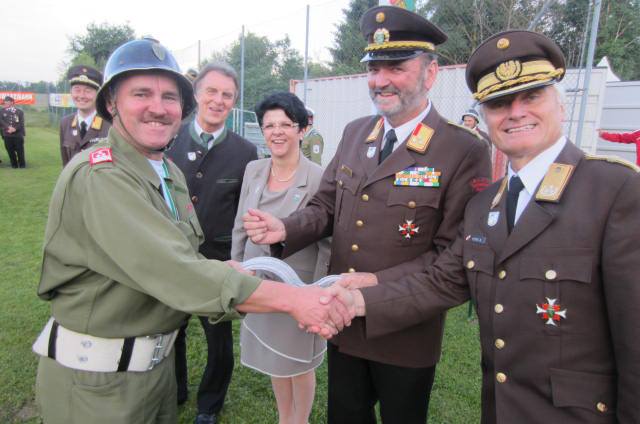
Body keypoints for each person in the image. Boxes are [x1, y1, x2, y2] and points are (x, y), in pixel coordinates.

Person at [33, 38, 354, 424]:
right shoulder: (102, 175)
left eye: (169, 96)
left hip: (153, 373)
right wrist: (293, 298)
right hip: (100, 385)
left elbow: (187, 252)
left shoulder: (165, 170)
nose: (158, 107)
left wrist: (231, 270)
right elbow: (174, 270)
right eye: (141, 93)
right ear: (112, 103)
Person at [339, 30, 640, 424]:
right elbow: (443, 281)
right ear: (484, 117)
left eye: (531, 96)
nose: (515, 112)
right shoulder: (484, 206)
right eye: (498, 103)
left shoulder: (615, 191)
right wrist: (355, 302)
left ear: (561, 105)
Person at [243, 6, 492, 423]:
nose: (380, 80)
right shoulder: (357, 132)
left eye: (396, 67)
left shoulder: (462, 149)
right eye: (374, 69)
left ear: (430, 73)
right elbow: (325, 206)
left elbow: (453, 254)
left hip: (405, 330)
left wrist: (375, 284)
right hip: (342, 320)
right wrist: (284, 228)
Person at [166, 62, 258, 424]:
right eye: (212, 91)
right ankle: (174, 390)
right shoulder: (168, 140)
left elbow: (244, 210)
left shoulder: (245, 152)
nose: (218, 101)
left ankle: (209, 405)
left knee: (219, 341)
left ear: (234, 102)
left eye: (227, 95)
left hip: (219, 261)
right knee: (169, 330)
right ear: (196, 94)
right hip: (171, 256)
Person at [231, 91, 329, 424]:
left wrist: (316, 292)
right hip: (258, 286)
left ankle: (299, 420)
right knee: (276, 360)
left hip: (298, 288)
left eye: (285, 124)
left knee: (298, 363)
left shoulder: (318, 177)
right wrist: (237, 271)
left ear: (302, 130)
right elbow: (240, 225)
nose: (277, 132)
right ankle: (284, 418)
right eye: (269, 125)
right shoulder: (254, 169)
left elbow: (327, 241)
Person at [59, 65, 110, 166]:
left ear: (98, 93)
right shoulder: (65, 123)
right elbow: (65, 165)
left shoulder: (110, 123)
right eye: (77, 90)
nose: (82, 96)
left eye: (88, 91)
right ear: (71, 92)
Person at [1, 96, 26, 168]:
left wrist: (15, 129)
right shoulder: (2, 111)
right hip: (7, 134)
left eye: (7, 101)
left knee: (20, 150)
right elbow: (1, 121)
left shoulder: (19, 111)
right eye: (5, 101)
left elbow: (21, 122)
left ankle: (22, 165)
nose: (6, 103)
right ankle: (14, 165)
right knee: (10, 150)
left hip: (17, 134)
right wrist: (8, 127)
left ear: (12, 102)